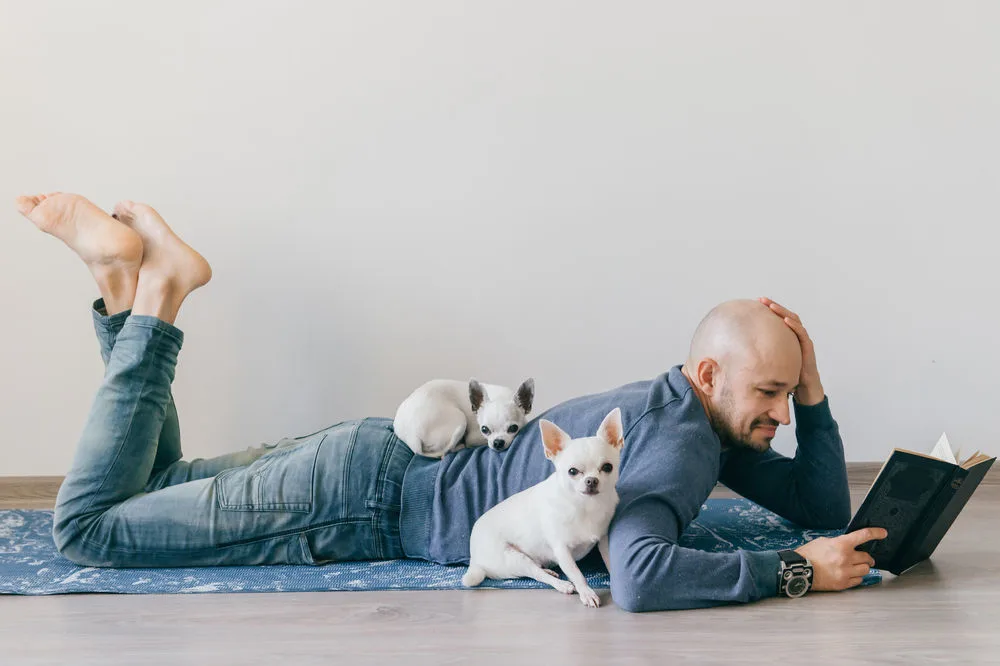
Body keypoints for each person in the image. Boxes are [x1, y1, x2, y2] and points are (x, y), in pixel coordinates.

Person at [14, 192, 887, 612]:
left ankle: (124, 284)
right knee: (89, 529)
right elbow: (641, 579)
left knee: (155, 480)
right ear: (707, 376)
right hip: (358, 504)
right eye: (768, 393)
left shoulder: (690, 416)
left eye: (785, 397)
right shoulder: (688, 446)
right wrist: (791, 572)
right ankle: (161, 293)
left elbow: (816, 506)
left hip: (371, 459)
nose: (776, 415)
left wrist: (809, 390)